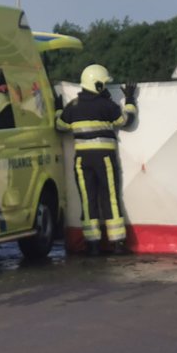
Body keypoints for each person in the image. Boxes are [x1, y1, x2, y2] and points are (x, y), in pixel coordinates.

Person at [55, 63, 137, 256]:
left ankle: (92, 244)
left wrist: (59, 109)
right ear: (98, 86)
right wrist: (130, 99)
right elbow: (127, 121)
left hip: (82, 161)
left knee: (88, 200)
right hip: (105, 159)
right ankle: (117, 243)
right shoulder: (107, 106)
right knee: (110, 199)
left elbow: (59, 126)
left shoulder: (72, 107)